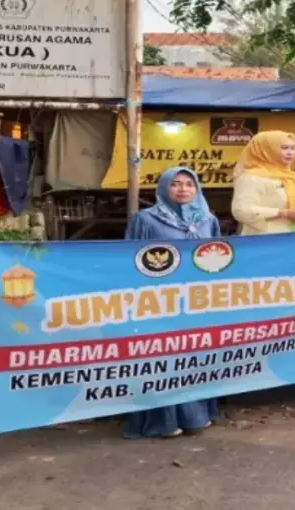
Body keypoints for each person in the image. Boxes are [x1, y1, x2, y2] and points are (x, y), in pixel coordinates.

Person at [124, 167, 222, 439]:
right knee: (163, 357)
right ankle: (162, 422)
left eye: (189, 184)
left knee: (196, 355)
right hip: (158, 302)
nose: (183, 189)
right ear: (164, 188)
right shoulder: (145, 219)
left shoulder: (207, 220)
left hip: (197, 301)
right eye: (175, 184)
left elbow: (218, 258)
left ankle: (196, 416)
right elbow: (129, 258)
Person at [231, 130, 295, 234]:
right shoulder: (250, 178)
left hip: (294, 241)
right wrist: (283, 214)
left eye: (293, 148)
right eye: (284, 148)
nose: (290, 153)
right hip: (265, 242)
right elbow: (241, 211)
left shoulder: (292, 178)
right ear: (265, 150)